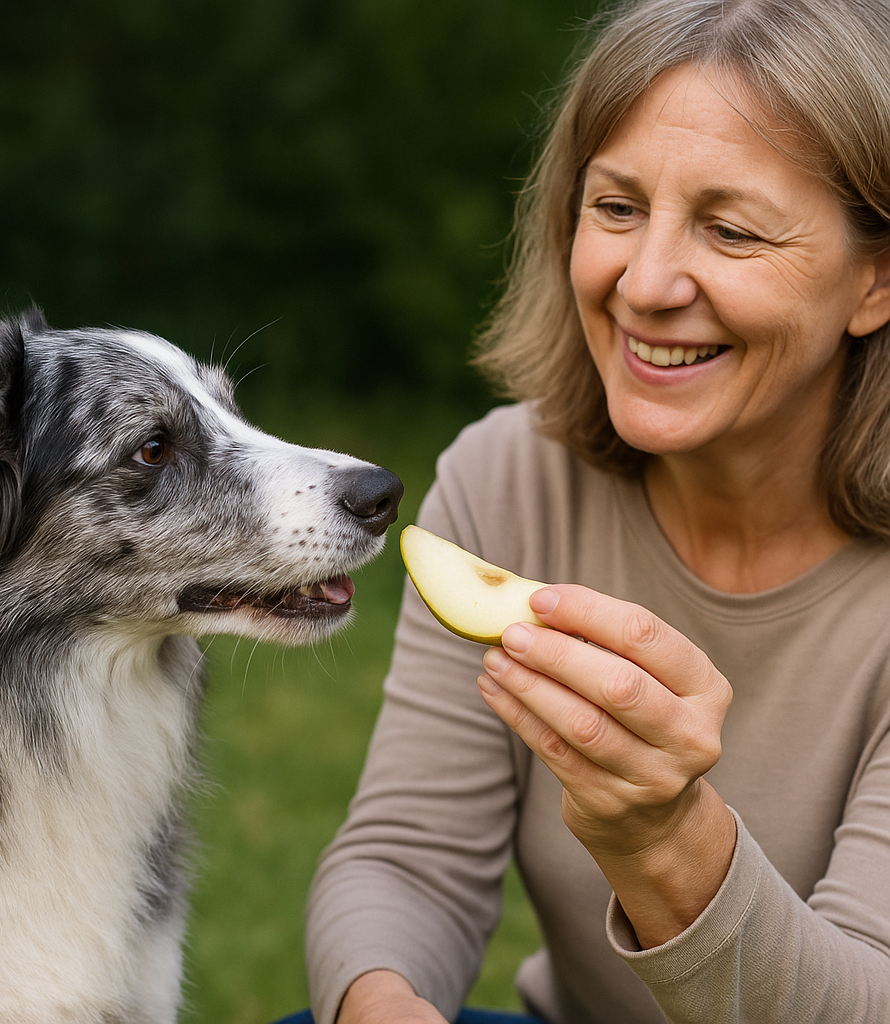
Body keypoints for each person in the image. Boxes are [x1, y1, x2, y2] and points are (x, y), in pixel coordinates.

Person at [302, 0, 890, 1022]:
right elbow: (410, 858)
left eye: (730, 229)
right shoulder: (506, 476)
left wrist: (664, 838)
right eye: (615, 208)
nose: (644, 282)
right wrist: (377, 1004)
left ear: (875, 281)